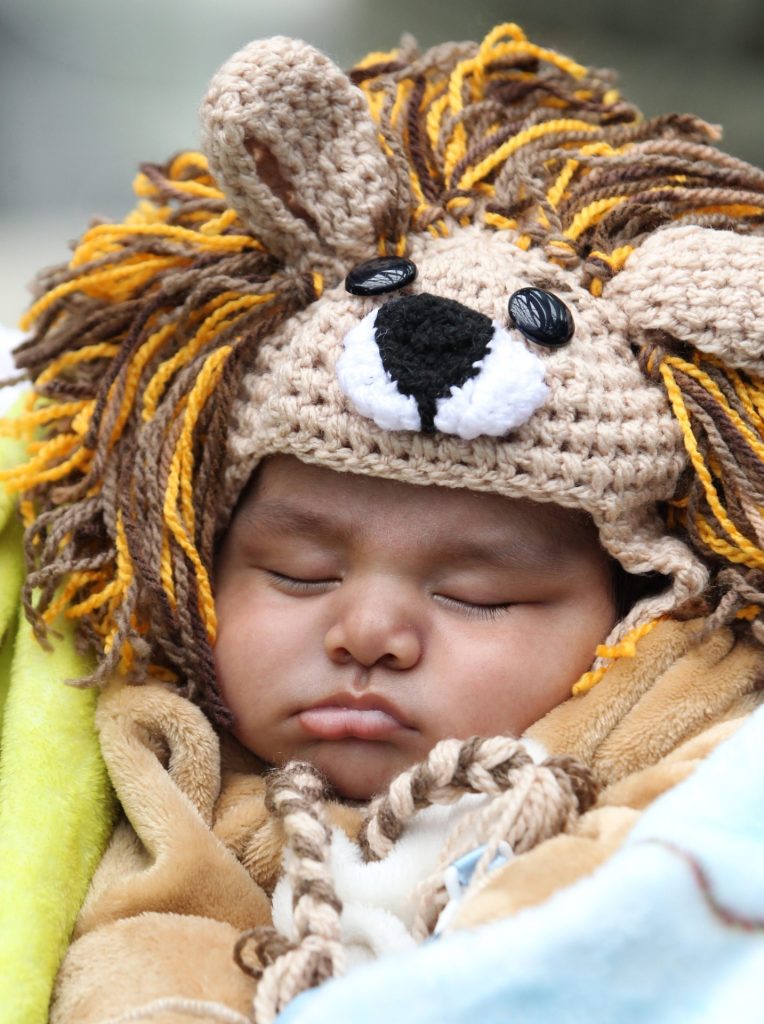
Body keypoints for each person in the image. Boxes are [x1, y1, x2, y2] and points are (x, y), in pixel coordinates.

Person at [1, 21, 764, 1024]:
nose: (365, 634)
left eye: (474, 594)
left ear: (634, 605)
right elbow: (152, 936)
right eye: (298, 573)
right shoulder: (181, 764)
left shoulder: (678, 727)